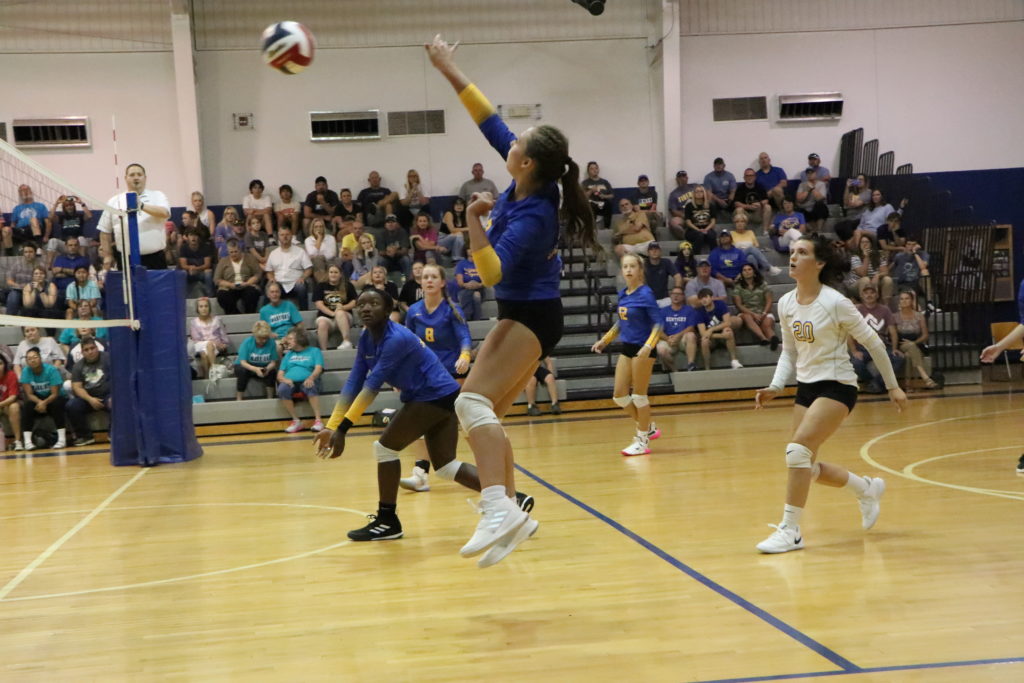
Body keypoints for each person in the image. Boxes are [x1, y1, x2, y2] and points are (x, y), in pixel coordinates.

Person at [426, 34, 597, 563]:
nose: (511, 142)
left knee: (470, 403)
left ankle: (498, 506)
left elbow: (492, 273)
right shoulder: (528, 179)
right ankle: (513, 512)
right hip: (527, 314)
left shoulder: (535, 214)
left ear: (526, 163)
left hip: (532, 315)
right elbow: (487, 119)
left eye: (518, 142)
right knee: (483, 417)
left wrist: (472, 220)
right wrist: (447, 68)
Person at [314, 289, 534, 560]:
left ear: (388, 310)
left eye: (373, 303)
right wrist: (332, 425)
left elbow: (371, 386)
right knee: (446, 466)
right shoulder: (367, 339)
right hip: (440, 396)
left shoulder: (396, 338)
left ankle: (387, 521)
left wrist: (342, 429)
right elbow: (354, 380)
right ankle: (512, 499)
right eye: (361, 304)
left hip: (433, 396)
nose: (366, 308)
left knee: (385, 449)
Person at [754, 234, 906, 554]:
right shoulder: (786, 303)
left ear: (819, 263)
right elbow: (789, 352)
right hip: (806, 388)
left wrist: (892, 386)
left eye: (802, 252)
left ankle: (791, 531)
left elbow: (873, 343)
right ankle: (866, 489)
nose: (793, 257)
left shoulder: (835, 302)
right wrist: (776, 386)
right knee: (804, 465)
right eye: (792, 252)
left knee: (796, 452)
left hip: (838, 386)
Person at [399, 263, 474, 492]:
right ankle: (420, 474)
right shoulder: (413, 311)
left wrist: (465, 355)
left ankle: (488, 464)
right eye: (425, 277)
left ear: (442, 282)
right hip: (424, 374)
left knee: (464, 420)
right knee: (420, 422)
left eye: (433, 277)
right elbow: (407, 343)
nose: (429, 280)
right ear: (420, 283)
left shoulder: (452, 309)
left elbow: (464, 337)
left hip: (451, 373)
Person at [591, 252, 663, 456]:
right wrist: (605, 340)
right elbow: (621, 322)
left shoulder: (646, 294)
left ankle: (642, 441)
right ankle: (648, 427)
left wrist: (648, 346)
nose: (629, 270)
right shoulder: (623, 294)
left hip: (643, 349)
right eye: (625, 267)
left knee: (639, 396)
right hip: (628, 347)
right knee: (620, 396)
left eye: (633, 266)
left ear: (640, 270)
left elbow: (659, 323)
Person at [97, 164, 171, 269]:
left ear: (145, 178)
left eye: (139, 174)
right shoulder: (114, 201)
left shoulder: (158, 195)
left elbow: (165, 213)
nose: (136, 178)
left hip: (155, 258)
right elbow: (105, 231)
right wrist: (108, 255)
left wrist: (142, 206)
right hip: (126, 260)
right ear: (126, 178)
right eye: (132, 175)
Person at [849, 283, 904, 393]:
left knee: (898, 358)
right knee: (855, 363)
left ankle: (877, 383)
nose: (869, 295)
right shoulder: (856, 310)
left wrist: (894, 348)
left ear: (877, 295)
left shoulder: (885, 310)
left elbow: (893, 332)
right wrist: (854, 351)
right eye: (866, 293)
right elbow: (849, 333)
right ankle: (874, 383)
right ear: (862, 295)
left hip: (881, 346)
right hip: (863, 347)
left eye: (872, 292)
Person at [277, 326, 324, 433]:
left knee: (310, 385)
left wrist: (311, 377)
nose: (287, 341)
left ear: (299, 339)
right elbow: (280, 375)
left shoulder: (314, 351)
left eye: (290, 338)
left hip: (308, 380)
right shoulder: (288, 355)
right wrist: (285, 380)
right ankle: (296, 421)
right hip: (291, 383)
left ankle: (318, 421)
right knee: (282, 389)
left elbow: (318, 368)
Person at [65, 336, 110, 446]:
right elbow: (77, 387)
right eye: (86, 350)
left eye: (92, 348)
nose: (90, 352)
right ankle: (85, 437)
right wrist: (90, 399)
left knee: (115, 402)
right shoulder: (78, 366)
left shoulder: (108, 358)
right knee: (71, 405)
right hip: (89, 398)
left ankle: (113, 433)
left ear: (97, 348)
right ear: (82, 352)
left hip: (108, 395)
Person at [20, 347, 68, 450]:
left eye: (35, 357)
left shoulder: (51, 370)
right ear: (27, 362)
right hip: (38, 399)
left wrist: (44, 403)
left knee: (57, 403)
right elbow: (29, 394)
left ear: (40, 358)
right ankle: (28, 442)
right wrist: (40, 402)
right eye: (29, 359)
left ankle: (62, 439)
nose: (32, 360)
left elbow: (55, 394)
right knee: (28, 405)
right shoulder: (26, 372)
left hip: (53, 397)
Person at [895, 291, 942, 390]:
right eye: (901, 299)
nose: (904, 301)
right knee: (909, 347)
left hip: (917, 344)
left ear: (912, 300)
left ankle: (908, 384)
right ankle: (926, 378)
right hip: (901, 344)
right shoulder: (894, 316)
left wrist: (914, 342)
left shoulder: (919, 316)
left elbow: (925, 335)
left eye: (907, 298)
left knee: (909, 355)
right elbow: (893, 335)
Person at [264, 225, 313, 309]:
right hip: (279, 284)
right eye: (282, 235)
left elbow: (309, 269)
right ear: (278, 237)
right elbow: (269, 271)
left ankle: (304, 312)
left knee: (301, 287)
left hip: (295, 283)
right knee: (270, 287)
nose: (285, 237)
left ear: (291, 236)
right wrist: (271, 278)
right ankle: (266, 313)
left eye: (287, 234)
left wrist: (303, 278)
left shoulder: (300, 251)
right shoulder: (273, 253)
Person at [695, 287, 744, 370]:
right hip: (712, 339)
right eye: (701, 298)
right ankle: (707, 368)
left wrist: (711, 329)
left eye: (705, 297)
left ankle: (734, 361)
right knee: (704, 341)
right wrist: (722, 336)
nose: (703, 300)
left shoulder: (720, 304)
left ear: (712, 297)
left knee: (728, 330)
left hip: (719, 332)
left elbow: (727, 322)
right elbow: (703, 333)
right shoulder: (699, 312)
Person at [733, 263, 779, 350]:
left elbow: (769, 300)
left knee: (766, 325)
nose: (747, 272)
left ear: (754, 272)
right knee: (747, 317)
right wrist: (753, 314)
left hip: (763, 312)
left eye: (749, 269)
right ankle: (763, 338)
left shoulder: (763, 284)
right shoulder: (738, 287)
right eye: (744, 270)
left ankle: (773, 338)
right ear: (741, 273)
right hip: (747, 312)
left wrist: (764, 313)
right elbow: (739, 305)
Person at [213, 238, 263, 314]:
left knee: (252, 293)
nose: (234, 254)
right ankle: (235, 315)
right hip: (230, 286)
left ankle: (249, 315)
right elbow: (217, 279)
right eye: (231, 252)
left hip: (247, 285)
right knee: (222, 295)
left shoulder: (250, 258)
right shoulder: (223, 261)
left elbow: (258, 273)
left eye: (236, 251)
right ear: (228, 251)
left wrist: (248, 283)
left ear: (240, 250)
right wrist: (230, 285)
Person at [314, 264, 357, 350]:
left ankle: (346, 341)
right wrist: (332, 314)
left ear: (340, 274)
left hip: (344, 316)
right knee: (322, 324)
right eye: (331, 272)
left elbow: (354, 302)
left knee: (340, 313)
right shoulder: (321, 286)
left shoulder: (348, 285)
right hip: (326, 317)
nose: (333, 274)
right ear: (328, 274)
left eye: (336, 272)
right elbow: (318, 304)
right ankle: (324, 351)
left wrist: (343, 308)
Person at [656, 286, 699, 372]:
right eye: (674, 294)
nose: (676, 296)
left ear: (683, 297)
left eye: (679, 294)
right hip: (669, 339)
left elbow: (691, 328)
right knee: (660, 349)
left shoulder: (689, 310)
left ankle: (691, 364)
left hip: (683, 339)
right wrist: (667, 339)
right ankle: (675, 371)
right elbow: (658, 330)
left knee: (691, 335)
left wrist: (678, 336)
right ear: (670, 296)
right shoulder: (663, 311)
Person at [234, 320, 279, 400]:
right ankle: (239, 399)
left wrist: (267, 369)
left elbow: (273, 363)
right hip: (247, 366)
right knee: (242, 371)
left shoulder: (271, 342)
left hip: (263, 366)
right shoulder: (247, 342)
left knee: (272, 372)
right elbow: (243, 362)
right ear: (255, 335)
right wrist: (255, 369)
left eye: (265, 338)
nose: (263, 341)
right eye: (260, 338)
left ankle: (270, 398)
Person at [189, 297, 229, 379]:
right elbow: (196, 340)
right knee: (209, 344)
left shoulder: (217, 320)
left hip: (215, 347)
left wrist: (224, 344)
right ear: (197, 309)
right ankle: (214, 370)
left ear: (209, 308)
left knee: (204, 354)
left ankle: (207, 376)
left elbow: (223, 337)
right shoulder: (194, 322)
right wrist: (212, 342)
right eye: (201, 306)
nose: (204, 309)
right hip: (199, 345)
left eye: (206, 306)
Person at [259, 281, 303, 355]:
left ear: (280, 293)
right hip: (276, 339)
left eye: (277, 292)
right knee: (277, 347)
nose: (275, 294)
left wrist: (293, 335)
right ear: (268, 295)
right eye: (272, 292)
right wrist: (270, 334)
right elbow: (263, 330)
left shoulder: (289, 305)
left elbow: (300, 324)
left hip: (291, 336)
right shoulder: (264, 311)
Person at [850, 234, 893, 304]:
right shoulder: (855, 257)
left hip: (874, 282)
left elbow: (885, 272)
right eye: (862, 242)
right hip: (857, 285)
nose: (864, 244)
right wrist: (866, 257)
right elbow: (863, 274)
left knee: (887, 279)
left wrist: (877, 276)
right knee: (865, 280)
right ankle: (865, 306)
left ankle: (885, 306)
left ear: (871, 244)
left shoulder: (879, 256)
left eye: (867, 242)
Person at [47, 197, 92, 263]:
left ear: (74, 207)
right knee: (52, 241)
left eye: (71, 205)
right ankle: (49, 265)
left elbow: (89, 216)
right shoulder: (62, 217)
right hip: (66, 244)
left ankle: (82, 262)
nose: (69, 207)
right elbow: (50, 217)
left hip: (77, 244)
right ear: (64, 208)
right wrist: (56, 204)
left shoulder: (79, 216)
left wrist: (81, 203)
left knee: (81, 238)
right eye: (67, 206)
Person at [4, 243, 41, 315]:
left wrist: (30, 287)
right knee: (14, 296)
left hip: (33, 290)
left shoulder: (39, 265)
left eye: (30, 252)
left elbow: (41, 281)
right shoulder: (17, 264)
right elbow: (9, 280)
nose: (28, 254)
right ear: (23, 253)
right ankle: (10, 319)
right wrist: (17, 285)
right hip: (18, 290)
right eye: (26, 252)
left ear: (35, 253)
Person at [178, 230, 215, 297]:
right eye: (191, 235)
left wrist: (196, 269)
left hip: (201, 272)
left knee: (208, 273)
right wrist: (190, 268)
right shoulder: (183, 248)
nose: (193, 237)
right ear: (187, 237)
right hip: (190, 272)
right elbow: (183, 265)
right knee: (182, 273)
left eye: (195, 235)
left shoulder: (206, 247)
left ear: (199, 238)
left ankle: (210, 297)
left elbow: (207, 264)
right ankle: (184, 298)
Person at [734, 168, 771, 233]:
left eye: (751, 175)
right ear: (744, 178)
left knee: (768, 207)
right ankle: (742, 233)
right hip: (745, 214)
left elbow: (766, 200)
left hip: (757, 213)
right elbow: (736, 203)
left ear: (755, 177)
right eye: (747, 176)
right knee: (739, 209)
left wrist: (760, 204)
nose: (749, 177)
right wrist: (748, 207)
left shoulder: (760, 186)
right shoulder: (740, 188)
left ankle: (765, 231)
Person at [0, 354, 24, 451]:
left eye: (0, 364)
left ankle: (18, 441)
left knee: (14, 407)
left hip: (8, 404)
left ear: (5, 364)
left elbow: (13, 397)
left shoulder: (11, 375)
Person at [581, 161, 615, 230]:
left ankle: (607, 228)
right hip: (592, 204)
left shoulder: (605, 182)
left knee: (609, 204)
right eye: (592, 168)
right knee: (590, 205)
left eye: (596, 168)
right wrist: (591, 191)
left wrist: (604, 196)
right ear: (588, 171)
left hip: (603, 204)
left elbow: (612, 195)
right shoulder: (585, 183)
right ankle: (592, 229)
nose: (594, 170)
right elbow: (582, 197)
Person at [683, 186, 717, 253]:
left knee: (712, 235)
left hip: (707, 229)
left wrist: (706, 229)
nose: (699, 193)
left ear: (704, 193)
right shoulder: (689, 206)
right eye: (697, 191)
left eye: (701, 191)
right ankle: (696, 255)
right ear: (693, 194)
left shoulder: (710, 205)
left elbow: (713, 221)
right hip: (693, 230)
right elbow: (688, 222)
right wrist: (698, 230)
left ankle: (714, 254)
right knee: (700, 235)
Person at [304, 217, 338, 283]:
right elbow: (312, 254)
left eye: (321, 226)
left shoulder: (331, 238)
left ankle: (324, 282)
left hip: (329, 262)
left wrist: (320, 255)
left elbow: (331, 254)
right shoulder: (308, 240)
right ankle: (323, 283)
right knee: (318, 260)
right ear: (312, 228)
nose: (318, 229)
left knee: (321, 259)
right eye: (316, 227)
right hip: (315, 263)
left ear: (324, 228)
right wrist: (319, 239)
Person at [795, 167, 829, 233]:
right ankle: (811, 230)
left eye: (812, 173)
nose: (810, 175)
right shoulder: (802, 185)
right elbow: (799, 199)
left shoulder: (821, 184)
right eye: (808, 173)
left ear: (815, 174)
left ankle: (819, 230)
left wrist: (813, 188)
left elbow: (819, 198)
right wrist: (807, 190)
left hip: (816, 208)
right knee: (798, 209)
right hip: (805, 209)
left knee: (821, 205)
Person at [454, 250, 484, 321]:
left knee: (477, 295)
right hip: (464, 289)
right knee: (473, 294)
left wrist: (479, 285)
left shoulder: (482, 263)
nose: (471, 250)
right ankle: (475, 319)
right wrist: (467, 285)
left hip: (480, 288)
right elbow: (460, 282)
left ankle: (468, 317)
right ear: (466, 250)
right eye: (469, 248)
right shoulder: (461, 264)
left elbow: (486, 281)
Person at [666, 170, 697, 239]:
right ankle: (686, 238)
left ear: (687, 178)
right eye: (680, 177)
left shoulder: (695, 186)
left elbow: (705, 196)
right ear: (677, 179)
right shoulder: (673, 194)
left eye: (684, 176)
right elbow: (673, 211)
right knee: (673, 222)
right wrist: (686, 216)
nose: (682, 179)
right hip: (684, 216)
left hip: (698, 213)